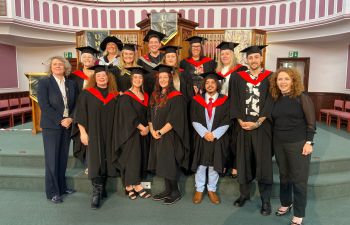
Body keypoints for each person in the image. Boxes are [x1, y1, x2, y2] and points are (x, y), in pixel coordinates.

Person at [229, 45, 274, 216]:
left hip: (262, 128)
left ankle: (265, 200)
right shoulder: (238, 77)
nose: (253, 60)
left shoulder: (270, 77)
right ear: (246, 60)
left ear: (261, 58)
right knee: (243, 161)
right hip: (243, 127)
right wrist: (241, 121)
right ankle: (244, 194)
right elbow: (234, 100)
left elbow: (271, 102)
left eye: (256, 57)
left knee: (263, 164)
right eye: (250, 58)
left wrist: (258, 122)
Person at [270, 68, 316, 225]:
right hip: (279, 143)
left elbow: (311, 122)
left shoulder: (302, 98)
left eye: (286, 79)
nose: (282, 82)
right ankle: (286, 203)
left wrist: (309, 142)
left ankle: (299, 214)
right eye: (280, 79)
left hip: (297, 144)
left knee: (298, 179)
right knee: (284, 176)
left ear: (293, 81)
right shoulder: (276, 98)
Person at [75, 65, 119, 209]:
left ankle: (103, 188)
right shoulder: (87, 94)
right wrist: (82, 132)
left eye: (104, 76)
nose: (102, 77)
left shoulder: (115, 95)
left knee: (106, 159)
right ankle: (96, 192)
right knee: (95, 160)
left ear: (108, 78)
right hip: (94, 133)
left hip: (111, 133)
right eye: (99, 75)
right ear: (95, 78)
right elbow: (80, 114)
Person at [37, 56, 79, 203]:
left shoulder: (71, 83)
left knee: (62, 158)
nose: (57, 66)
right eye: (55, 64)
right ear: (50, 67)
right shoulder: (44, 83)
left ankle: (61, 187)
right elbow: (44, 105)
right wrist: (61, 120)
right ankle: (53, 192)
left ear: (65, 67)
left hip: (67, 125)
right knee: (52, 159)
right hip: (52, 125)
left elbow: (76, 104)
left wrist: (71, 118)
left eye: (60, 64)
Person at [148, 64, 189, 205]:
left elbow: (174, 119)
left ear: (170, 79)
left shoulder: (176, 96)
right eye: (161, 77)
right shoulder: (155, 95)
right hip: (157, 135)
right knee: (163, 163)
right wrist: (152, 130)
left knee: (170, 163)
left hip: (170, 135)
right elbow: (149, 115)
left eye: (166, 77)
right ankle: (167, 190)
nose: (163, 79)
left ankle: (175, 191)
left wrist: (159, 131)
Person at [191, 72, 230, 205]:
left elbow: (227, 120)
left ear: (217, 85)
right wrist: (204, 133)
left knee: (214, 165)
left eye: (213, 82)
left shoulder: (225, 100)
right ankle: (199, 189)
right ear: (204, 85)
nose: (210, 85)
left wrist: (214, 134)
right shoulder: (197, 100)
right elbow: (194, 118)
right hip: (202, 138)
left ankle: (212, 190)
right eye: (207, 83)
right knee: (201, 165)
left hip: (217, 138)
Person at [113, 66, 151, 200]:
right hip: (130, 132)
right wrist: (143, 128)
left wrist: (147, 128)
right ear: (131, 79)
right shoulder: (126, 96)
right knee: (131, 158)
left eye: (140, 77)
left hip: (143, 132)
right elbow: (129, 116)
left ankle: (130, 185)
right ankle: (134, 185)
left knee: (139, 157)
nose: (138, 79)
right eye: (135, 77)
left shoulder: (145, 95)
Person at [216, 41, 247, 179]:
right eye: (222, 54)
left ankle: (235, 166)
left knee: (235, 139)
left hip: (234, 108)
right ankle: (222, 164)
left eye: (227, 53)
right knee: (222, 138)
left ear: (232, 55)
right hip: (220, 108)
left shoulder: (241, 69)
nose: (224, 56)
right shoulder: (217, 71)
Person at [137, 29, 166, 94]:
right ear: (148, 45)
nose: (153, 44)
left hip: (164, 91)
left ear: (160, 44)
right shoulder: (141, 60)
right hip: (147, 91)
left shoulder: (166, 58)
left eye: (156, 42)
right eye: (151, 42)